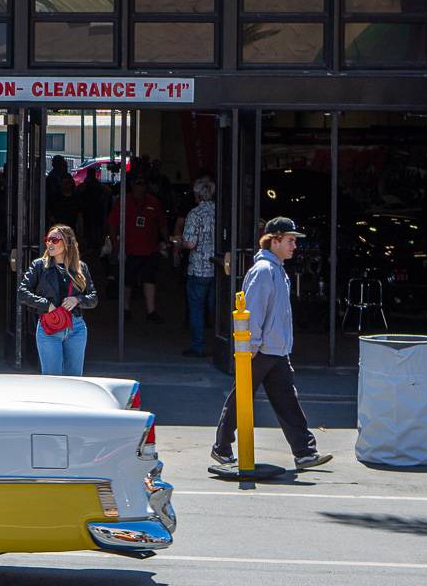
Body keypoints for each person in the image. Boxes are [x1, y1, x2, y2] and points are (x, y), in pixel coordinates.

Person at [212, 218, 332, 470]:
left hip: (275, 349)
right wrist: (251, 346)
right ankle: (222, 447)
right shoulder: (265, 271)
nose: (294, 246)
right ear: (274, 240)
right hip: (262, 350)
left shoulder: (276, 269)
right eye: (290, 240)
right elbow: (254, 310)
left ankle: (304, 452)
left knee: (286, 400)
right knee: (242, 397)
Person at [19, 225, 98, 377]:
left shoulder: (80, 267)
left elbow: (93, 298)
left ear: (67, 243)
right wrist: (46, 304)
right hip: (49, 326)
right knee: (52, 380)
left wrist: (77, 299)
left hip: (76, 327)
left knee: (75, 379)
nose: (50, 243)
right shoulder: (39, 266)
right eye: (48, 239)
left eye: (54, 240)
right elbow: (22, 293)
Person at [106, 174, 168, 323]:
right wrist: (115, 245)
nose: (141, 186)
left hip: (149, 249)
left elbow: (162, 224)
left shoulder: (154, 202)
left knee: (149, 279)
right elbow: (112, 223)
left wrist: (167, 241)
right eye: (138, 183)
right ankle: (126, 309)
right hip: (129, 249)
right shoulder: (124, 201)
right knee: (127, 281)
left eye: (143, 183)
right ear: (132, 185)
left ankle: (151, 311)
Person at [178, 176, 219, 357]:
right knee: (216, 308)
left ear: (197, 194)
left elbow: (190, 243)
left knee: (196, 308)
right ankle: (223, 345)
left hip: (198, 268)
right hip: (218, 267)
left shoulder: (194, 214)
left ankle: (198, 346)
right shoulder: (220, 212)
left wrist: (179, 242)